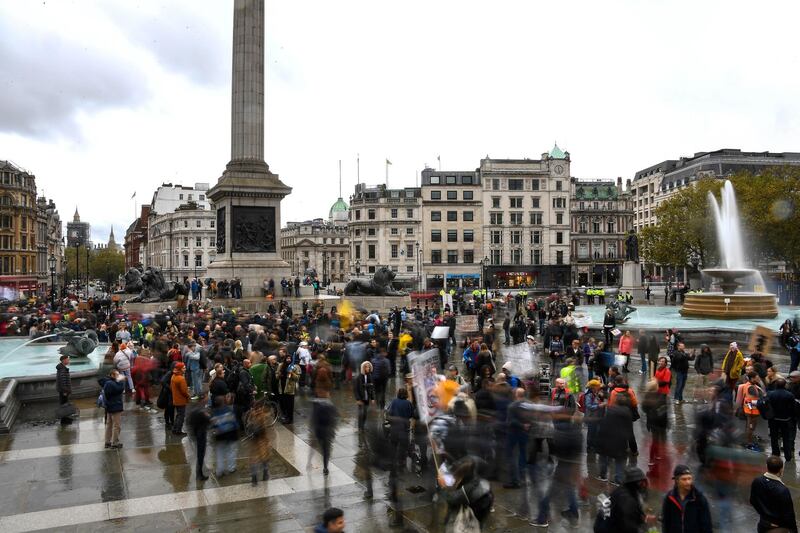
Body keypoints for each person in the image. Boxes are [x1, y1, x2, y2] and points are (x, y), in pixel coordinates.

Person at [750, 456, 798, 533]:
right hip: (777, 528)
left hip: (763, 524)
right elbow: (789, 515)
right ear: (781, 469)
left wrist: (764, 516)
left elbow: (753, 501)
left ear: (767, 466)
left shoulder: (757, 481)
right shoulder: (782, 490)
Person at [661, 464, 713, 533]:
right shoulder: (670, 498)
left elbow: (706, 525)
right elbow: (666, 523)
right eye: (684, 479)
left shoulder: (699, 498)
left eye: (689, 478)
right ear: (677, 480)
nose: (688, 482)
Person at [602, 467, 655, 533]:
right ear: (637, 483)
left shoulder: (626, 490)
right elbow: (628, 526)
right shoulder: (627, 499)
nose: (645, 485)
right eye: (642, 482)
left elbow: (634, 512)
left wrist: (644, 518)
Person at [766, 378, 797, 461]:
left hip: (773, 419)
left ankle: (775, 453)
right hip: (785, 420)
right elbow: (793, 408)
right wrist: (792, 417)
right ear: (785, 385)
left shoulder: (770, 394)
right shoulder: (789, 395)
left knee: (774, 437)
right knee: (786, 438)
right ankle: (788, 455)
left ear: (776, 385)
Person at [211, 395, 239, 477]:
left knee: (220, 453)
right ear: (224, 401)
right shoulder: (229, 410)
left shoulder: (214, 412)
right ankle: (231, 468)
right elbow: (234, 423)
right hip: (231, 434)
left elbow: (213, 425)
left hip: (220, 436)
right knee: (231, 451)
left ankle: (220, 470)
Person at [244, 401, 272, 485]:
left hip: (253, 441)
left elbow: (246, 425)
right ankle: (265, 474)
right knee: (264, 458)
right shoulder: (263, 415)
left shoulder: (250, 414)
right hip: (262, 440)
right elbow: (266, 427)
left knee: (253, 459)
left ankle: (254, 478)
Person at [99, 369, 126, 449]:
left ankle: (107, 442)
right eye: (116, 375)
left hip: (109, 406)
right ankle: (115, 443)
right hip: (115, 406)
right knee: (116, 425)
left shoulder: (107, 382)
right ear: (112, 375)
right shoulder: (111, 383)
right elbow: (119, 389)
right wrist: (121, 381)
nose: (118, 376)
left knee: (109, 425)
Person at [186, 394, 211, 481]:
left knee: (200, 455)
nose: (207, 400)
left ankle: (200, 472)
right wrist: (208, 417)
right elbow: (209, 421)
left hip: (197, 435)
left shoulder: (195, 408)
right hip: (200, 436)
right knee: (200, 455)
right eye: (206, 399)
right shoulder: (201, 411)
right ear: (202, 399)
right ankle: (199, 474)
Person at [277, 351, 300, 424]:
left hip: (290, 389)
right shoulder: (280, 365)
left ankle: (290, 418)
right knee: (283, 405)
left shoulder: (294, 367)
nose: (288, 360)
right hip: (282, 388)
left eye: (290, 358)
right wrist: (279, 375)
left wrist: (291, 373)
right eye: (287, 358)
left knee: (290, 405)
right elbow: (276, 375)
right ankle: (285, 416)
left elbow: (297, 378)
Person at [354, 360, 375, 430]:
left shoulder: (370, 376)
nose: (367, 368)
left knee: (365, 413)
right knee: (361, 413)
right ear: (363, 368)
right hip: (361, 397)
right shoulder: (358, 377)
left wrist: (372, 398)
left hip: (367, 398)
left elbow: (371, 388)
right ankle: (360, 426)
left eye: (368, 367)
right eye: (366, 367)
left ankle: (363, 425)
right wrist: (357, 399)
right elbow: (356, 389)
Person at [170, 362, 190, 436]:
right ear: (180, 369)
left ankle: (175, 429)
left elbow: (171, 387)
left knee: (178, 415)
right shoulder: (181, 379)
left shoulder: (173, 376)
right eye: (183, 368)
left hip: (175, 399)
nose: (185, 369)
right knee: (181, 416)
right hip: (181, 400)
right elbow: (184, 391)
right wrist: (188, 396)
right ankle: (178, 431)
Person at [55, 354, 72, 425]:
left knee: (64, 403)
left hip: (63, 390)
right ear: (63, 360)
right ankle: (64, 420)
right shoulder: (62, 369)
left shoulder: (62, 368)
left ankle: (65, 418)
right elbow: (63, 381)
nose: (68, 361)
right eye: (67, 359)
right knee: (64, 404)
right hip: (63, 391)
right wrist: (65, 391)